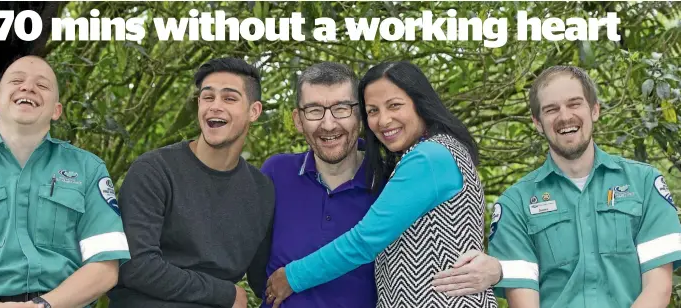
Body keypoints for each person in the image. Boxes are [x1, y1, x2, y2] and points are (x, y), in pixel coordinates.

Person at [265, 61, 499, 308]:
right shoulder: (430, 155)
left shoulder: (428, 157)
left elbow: (365, 241)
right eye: (373, 111)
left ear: (420, 103)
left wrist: (292, 277)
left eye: (394, 105)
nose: (384, 120)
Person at [0, 55, 130, 308]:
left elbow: (105, 267)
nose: (28, 87)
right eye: (16, 80)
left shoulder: (89, 169)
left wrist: (43, 306)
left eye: (43, 85)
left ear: (57, 110)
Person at [486, 65, 681, 308]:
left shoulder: (644, 183)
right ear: (537, 123)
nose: (565, 116)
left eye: (574, 103)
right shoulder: (514, 205)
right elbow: (524, 303)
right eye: (551, 109)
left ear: (595, 110)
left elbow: (658, 289)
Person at [107, 57, 274, 308]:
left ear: (254, 111)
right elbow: (135, 265)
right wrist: (224, 294)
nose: (215, 106)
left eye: (229, 98)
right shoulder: (154, 171)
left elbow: (265, 279)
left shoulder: (262, 191)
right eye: (208, 97)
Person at [259, 62, 378, 308]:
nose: (328, 124)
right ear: (298, 120)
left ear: (361, 114)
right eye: (314, 111)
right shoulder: (275, 173)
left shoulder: (391, 183)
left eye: (341, 108)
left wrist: (482, 268)